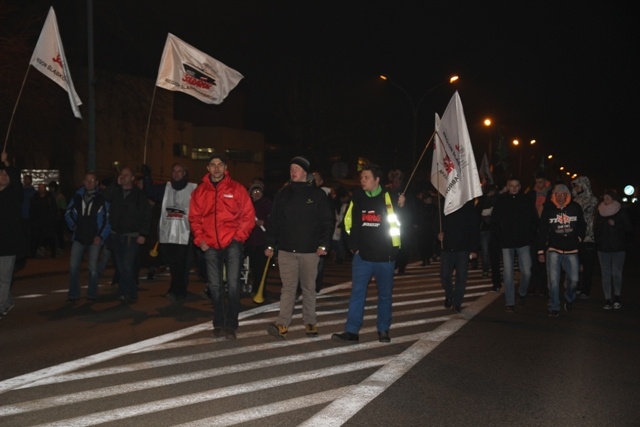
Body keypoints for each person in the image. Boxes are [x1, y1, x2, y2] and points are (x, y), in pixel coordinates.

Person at [331, 163, 402, 344]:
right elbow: (347, 223)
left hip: (385, 258)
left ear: (377, 180)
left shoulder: (390, 197)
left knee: (385, 295)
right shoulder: (358, 197)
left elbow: (402, 224)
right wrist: (353, 247)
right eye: (362, 177)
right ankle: (352, 331)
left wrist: (403, 206)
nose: (362, 181)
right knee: (357, 294)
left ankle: (383, 329)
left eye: (366, 177)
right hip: (362, 257)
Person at [265, 156, 333, 339]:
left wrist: (324, 244)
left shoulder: (317, 195)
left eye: (297, 168)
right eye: (291, 168)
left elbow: (327, 221)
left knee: (309, 288)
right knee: (288, 288)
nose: (293, 171)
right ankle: (282, 325)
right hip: (287, 250)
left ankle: (310, 321)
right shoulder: (282, 194)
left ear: (305, 172)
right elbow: (274, 222)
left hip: (310, 251)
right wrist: (270, 244)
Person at [189, 154, 255, 340]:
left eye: (220, 165)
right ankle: (218, 322)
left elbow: (248, 215)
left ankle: (231, 325)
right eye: (213, 165)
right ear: (208, 168)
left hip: (232, 242)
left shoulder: (237, 189)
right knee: (215, 286)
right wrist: (199, 239)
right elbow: (194, 218)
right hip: (209, 244)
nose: (216, 168)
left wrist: (238, 237)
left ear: (225, 168)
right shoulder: (200, 192)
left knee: (233, 285)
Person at [141, 162, 197, 302]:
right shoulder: (165, 188)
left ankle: (176, 290)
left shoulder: (193, 189)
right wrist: (147, 177)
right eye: (174, 171)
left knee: (180, 263)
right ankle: (179, 288)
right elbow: (151, 192)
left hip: (184, 234)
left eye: (179, 171)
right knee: (173, 264)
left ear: (184, 173)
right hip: (167, 234)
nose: (176, 174)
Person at [102, 166, 152, 304]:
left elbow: (146, 215)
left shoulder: (139, 195)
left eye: (126, 174)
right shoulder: (116, 191)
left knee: (127, 265)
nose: (123, 176)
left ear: (132, 178)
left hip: (131, 236)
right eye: (122, 174)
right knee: (120, 266)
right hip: (116, 234)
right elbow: (104, 196)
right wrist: (114, 184)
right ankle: (124, 292)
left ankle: (131, 292)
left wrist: (143, 234)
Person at [536, 183, 586, 317]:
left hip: (572, 249)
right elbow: (542, 231)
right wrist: (540, 250)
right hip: (554, 249)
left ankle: (569, 298)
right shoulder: (549, 210)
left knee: (574, 280)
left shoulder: (575, 208)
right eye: (557, 194)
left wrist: (579, 238)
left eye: (563, 194)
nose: (560, 197)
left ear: (567, 195)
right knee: (553, 280)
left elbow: (582, 224)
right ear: (554, 195)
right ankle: (554, 306)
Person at [490, 178, 539, 312]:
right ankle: (510, 302)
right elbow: (494, 221)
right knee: (508, 273)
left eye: (517, 186)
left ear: (520, 187)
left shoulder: (526, 200)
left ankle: (522, 292)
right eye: (511, 186)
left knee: (527, 272)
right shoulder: (501, 201)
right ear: (507, 186)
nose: (514, 188)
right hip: (506, 243)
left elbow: (534, 220)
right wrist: (500, 236)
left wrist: (530, 236)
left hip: (523, 242)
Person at [64, 172, 110, 303]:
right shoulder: (77, 197)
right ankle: (73, 294)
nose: (90, 182)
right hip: (79, 237)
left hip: (94, 238)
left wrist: (100, 236)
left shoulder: (102, 199)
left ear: (96, 183)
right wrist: (73, 227)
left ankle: (92, 293)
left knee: (93, 268)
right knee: (73, 266)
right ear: (84, 181)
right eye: (87, 180)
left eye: (92, 180)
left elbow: (107, 220)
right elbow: (68, 213)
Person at [437, 199, 480, 313]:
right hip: (447, 246)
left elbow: (474, 228)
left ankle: (457, 303)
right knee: (444, 275)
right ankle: (450, 294)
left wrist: (474, 249)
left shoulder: (469, 208)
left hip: (463, 247)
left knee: (461, 277)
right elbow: (439, 222)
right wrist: (439, 233)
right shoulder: (446, 205)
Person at [594, 189, 632, 310]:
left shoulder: (621, 211)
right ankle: (607, 299)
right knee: (605, 274)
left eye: (608, 199)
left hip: (618, 248)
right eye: (604, 199)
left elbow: (629, 228)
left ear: (614, 199)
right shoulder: (599, 211)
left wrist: (616, 224)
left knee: (616, 273)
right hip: (603, 248)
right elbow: (595, 229)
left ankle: (617, 296)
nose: (606, 201)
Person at [0, 151, 24, 319]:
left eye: (5, 174)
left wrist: (7, 163)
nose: (3, 176)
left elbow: (16, 181)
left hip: (8, 244)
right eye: (0, 173)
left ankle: (1, 306)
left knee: (4, 279)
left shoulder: (14, 194)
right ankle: (7, 301)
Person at [570, 176, 598, 300]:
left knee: (588, 266)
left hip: (589, 238)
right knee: (574, 264)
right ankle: (575, 287)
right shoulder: (573, 200)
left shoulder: (593, 200)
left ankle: (585, 290)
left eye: (577, 185)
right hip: (576, 237)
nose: (575, 188)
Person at [244, 179, 272, 296]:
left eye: (258, 191)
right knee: (251, 268)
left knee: (261, 268)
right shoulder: (247, 205)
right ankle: (251, 287)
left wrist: (264, 222)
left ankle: (260, 290)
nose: (256, 193)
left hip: (262, 242)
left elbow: (274, 220)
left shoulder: (267, 204)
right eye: (254, 191)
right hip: (249, 241)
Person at [526, 172, 551, 296]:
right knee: (533, 260)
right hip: (534, 232)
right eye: (537, 182)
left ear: (545, 181)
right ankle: (532, 285)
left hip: (546, 231)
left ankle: (543, 287)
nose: (539, 185)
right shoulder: (531, 194)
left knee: (545, 261)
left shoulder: (551, 194)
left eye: (541, 182)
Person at [386, 169, 413, 274]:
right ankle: (394, 264)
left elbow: (411, 208)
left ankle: (401, 266)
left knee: (404, 247)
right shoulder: (388, 192)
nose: (395, 183)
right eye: (394, 180)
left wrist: (403, 206)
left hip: (404, 225)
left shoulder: (406, 192)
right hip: (391, 225)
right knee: (393, 246)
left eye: (397, 180)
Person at [29, 183, 58, 258]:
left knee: (50, 237)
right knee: (35, 238)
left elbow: (54, 209)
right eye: (39, 188)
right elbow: (31, 209)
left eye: (42, 188)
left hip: (48, 221)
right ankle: (32, 254)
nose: (41, 189)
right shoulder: (34, 198)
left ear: (45, 189)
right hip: (37, 221)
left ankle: (53, 253)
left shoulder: (50, 198)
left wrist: (53, 219)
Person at [48, 180, 67, 252]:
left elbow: (63, 208)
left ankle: (60, 247)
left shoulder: (60, 196)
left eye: (52, 187)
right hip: (52, 217)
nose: (51, 189)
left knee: (59, 233)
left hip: (59, 218)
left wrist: (59, 215)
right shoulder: (49, 196)